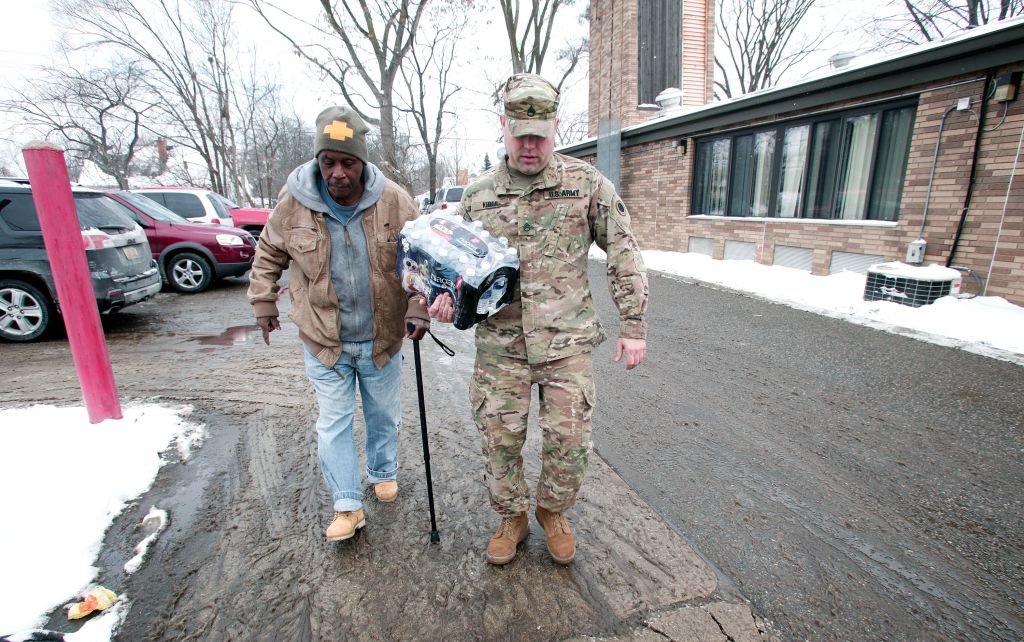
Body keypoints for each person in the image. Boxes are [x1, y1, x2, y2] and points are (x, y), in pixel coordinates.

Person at [428, 73, 648, 565]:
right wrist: (441, 300)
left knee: (570, 441)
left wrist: (633, 324)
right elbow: (451, 269)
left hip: (566, 344)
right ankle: (513, 518)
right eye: (520, 135)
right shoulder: (478, 196)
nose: (530, 146)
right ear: (503, 127)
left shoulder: (585, 184)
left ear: (555, 129)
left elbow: (623, 249)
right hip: (501, 347)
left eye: (541, 136)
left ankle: (552, 511)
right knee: (498, 442)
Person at [247, 105, 430, 542]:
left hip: (380, 339)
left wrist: (418, 305)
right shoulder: (293, 203)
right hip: (324, 339)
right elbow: (269, 252)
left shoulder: (394, 201)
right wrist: (264, 302)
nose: (338, 172)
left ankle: (383, 471)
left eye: (347, 162)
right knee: (334, 422)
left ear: (362, 162)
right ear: (318, 161)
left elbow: (421, 257)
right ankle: (347, 504)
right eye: (329, 161)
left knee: (383, 415)